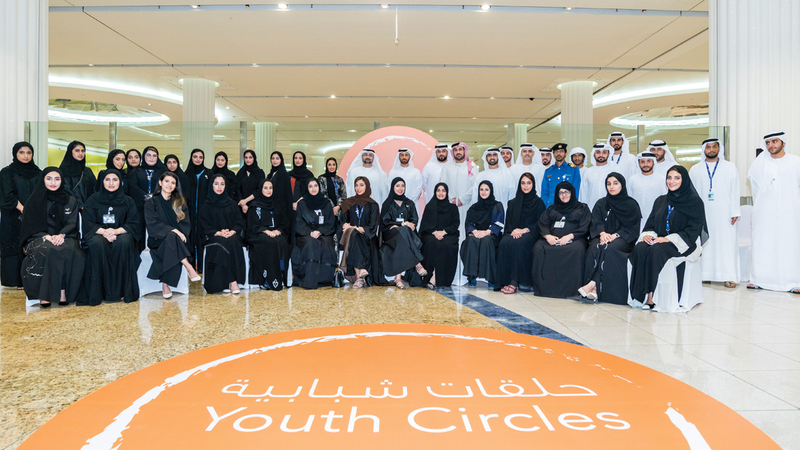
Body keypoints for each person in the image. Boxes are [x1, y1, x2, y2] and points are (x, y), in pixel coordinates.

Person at [629, 165, 708, 309]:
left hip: (683, 243)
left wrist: (668, 239)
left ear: (684, 180)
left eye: (677, 178)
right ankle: (639, 295)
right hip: (659, 240)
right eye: (669, 177)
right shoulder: (661, 200)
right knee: (640, 248)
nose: (672, 181)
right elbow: (650, 223)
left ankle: (651, 295)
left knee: (656, 250)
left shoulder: (695, 202)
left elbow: (693, 229)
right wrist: (648, 236)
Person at [19, 168, 85, 306]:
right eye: (49, 178)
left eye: (57, 179)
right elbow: (30, 225)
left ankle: (63, 292)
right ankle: (45, 295)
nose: (53, 182)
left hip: (66, 236)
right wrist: (46, 236)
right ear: (43, 180)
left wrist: (61, 234)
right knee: (47, 250)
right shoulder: (33, 200)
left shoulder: (70, 200)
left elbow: (72, 223)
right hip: (38, 236)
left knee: (72, 251)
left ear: (62, 181)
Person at [747, 132, 800, 293]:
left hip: (790, 212)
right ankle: (759, 279)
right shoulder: (759, 164)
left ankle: (793, 281)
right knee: (763, 243)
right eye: (768, 143)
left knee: (790, 244)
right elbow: (755, 190)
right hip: (765, 213)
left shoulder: (796, 162)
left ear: (783, 142)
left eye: (774, 141)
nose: (771, 145)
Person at [578, 172, 641, 303]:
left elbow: (631, 227)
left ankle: (593, 284)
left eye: (615, 183)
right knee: (595, 247)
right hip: (603, 236)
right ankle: (595, 289)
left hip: (623, 239)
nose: (611, 187)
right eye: (608, 184)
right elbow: (596, 221)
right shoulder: (601, 203)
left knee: (609, 248)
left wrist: (615, 235)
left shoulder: (631, 204)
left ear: (622, 185)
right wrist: (602, 233)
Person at [82, 169, 141, 305]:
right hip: (98, 233)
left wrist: (115, 231)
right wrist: (105, 232)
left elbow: (133, 223)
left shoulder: (128, 201)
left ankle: (123, 291)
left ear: (120, 182)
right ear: (102, 182)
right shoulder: (92, 200)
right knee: (97, 243)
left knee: (124, 242)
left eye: (115, 179)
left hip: (120, 233)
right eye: (107, 179)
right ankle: (99, 292)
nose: (111, 183)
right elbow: (88, 222)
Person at [689, 138, 741, 288]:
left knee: (727, 244)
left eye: (714, 147)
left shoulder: (730, 167)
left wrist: (735, 211)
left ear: (719, 149)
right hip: (702, 214)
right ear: (703, 150)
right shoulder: (695, 169)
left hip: (725, 214)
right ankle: (704, 275)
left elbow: (735, 189)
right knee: (705, 243)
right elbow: (691, 193)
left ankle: (729, 276)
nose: (711, 150)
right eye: (708, 147)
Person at [144, 172, 201, 299]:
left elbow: (185, 224)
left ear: (176, 186)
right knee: (172, 236)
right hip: (157, 240)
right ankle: (188, 266)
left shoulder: (180, 203)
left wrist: (176, 233)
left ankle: (165, 285)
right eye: (167, 181)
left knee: (172, 239)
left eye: (173, 183)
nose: (169, 185)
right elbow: (152, 224)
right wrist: (174, 230)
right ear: (160, 183)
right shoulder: (151, 203)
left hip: (177, 241)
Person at [531, 181, 591, 298]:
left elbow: (586, 226)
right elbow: (542, 223)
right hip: (552, 239)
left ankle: (572, 291)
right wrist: (548, 236)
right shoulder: (551, 209)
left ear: (572, 193)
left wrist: (570, 236)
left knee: (578, 249)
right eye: (561, 193)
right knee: (538, 248)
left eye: (567, 192)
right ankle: (544, 289)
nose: (564, 195)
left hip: (574, 240)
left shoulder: (582, 208)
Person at [495, 173, 546, 294]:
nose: (526, 186)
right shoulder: (513, 203)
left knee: (518, 243)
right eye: (523, 183)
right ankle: (503, 281)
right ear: (519, 185)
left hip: (531, 233)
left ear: (533, 185)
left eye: (529, 183)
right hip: (514, 232)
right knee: (503, 243)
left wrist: (524, 230)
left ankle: (514, 282)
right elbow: (509, 223)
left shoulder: (539, 203)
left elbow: (540, 223)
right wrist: (514, 231)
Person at [0, 142, 41, 288]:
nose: (26, 156)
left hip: (33, 216)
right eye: (21, 152)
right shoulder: (7, 172)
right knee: (14, 244)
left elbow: (41, 194)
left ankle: (30, 280)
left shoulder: (38, 173)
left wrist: (32, 212)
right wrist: (23, 209)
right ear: (15, 154)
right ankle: (14, 280)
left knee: (31, 245)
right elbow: (7, 195)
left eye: (29, 152)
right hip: (13, 216)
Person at [438, 141, 478, 284]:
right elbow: (442, 185)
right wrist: (451, 200)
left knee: (466, 239)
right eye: (455, 150)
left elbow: (476, 186)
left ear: (465, 151)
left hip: (467, 207)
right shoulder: (447, 167)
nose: (458, 152)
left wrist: (462, 199)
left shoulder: (472, 166)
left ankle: (468, 274)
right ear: (453, 152)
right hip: (450, 209)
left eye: (460, 149)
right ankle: (453, 275)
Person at [199, 174, 247, 294]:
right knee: (221, 243)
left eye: (222, 184)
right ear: (211, 186)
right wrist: (218, 232)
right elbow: (204, 225)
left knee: (232, 241)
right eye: (216, 184)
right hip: (214, 236)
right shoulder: (206, 205)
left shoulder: (232, 204)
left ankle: (231, 281)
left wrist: (231, 231)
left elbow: (239, 222)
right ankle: (232, 281)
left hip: (231, 235)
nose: (219, 187)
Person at [380, 177, 427, 289]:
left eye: (403, 185)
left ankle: (398, 278)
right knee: (404, 230)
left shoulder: (409, 203)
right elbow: (385, 221)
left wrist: (403, 225)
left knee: (402, 236)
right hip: (390, 233)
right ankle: (418, 264)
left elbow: (414, 220)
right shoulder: (387, 203)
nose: (400, 188)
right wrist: (402, 224)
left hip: (404, 234)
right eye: (397, 186)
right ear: (393, 187)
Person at [247, 179, 291, 291]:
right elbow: (253, 225)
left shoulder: (277, 206)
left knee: (283, 243)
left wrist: (279, 230)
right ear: (261, 190)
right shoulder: (254, 206)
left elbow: (284, 223)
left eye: (270, 188)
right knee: (270, 243)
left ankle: (281, 276)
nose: (268, 190)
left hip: (275, 233)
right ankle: (267, 279)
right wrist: (266, 231)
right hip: (258, 234)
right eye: (265, 188)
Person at [292, 179, 337, 289]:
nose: (313, 189)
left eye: (315, 185)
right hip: (305, 233)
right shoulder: (302, 204)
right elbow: (299, 222)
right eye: (310, 186)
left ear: (319, 187)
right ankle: (309, 280)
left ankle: (324, 280)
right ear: (307, 188)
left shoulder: (326, 203)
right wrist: (310, 232)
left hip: (323, 232)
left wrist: (320, 231)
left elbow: (330, 222)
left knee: (327, 243)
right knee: (311, 244)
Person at [338, 176, 380, 288]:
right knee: (353, 234)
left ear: (367, 186)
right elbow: (343, 223)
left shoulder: (373, 205)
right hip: (351, 236)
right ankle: (359, 275)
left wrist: (355, 227)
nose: (358, 188)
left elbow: (372, 227)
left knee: (354, 234)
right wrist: (346, 226)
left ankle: (359, 277)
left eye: (361, 185)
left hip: (368, 237)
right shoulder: (348, 203)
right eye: (356, 185)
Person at [461, 180, 504, 288]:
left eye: (486, 189)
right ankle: (472, 276)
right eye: (481, 189)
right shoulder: (474, 207)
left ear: (491, 191)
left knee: (486, 241)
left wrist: (487, 232)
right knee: (470, 241)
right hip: (476, 234)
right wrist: (475, 231)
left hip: (491, 235)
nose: (483, 192)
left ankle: (491, 278)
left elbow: (499, 222)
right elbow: (468, 222)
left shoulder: (497, 205)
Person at [419, 182, 460, 289]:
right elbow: (425, 225)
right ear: (435, 192)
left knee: (447, 244)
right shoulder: (430, 207)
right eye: (438, 190)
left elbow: (455, 224)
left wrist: (444, 232)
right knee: (431, 243)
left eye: (443, 191)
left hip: (448, 234)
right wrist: (435, 232)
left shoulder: (453, 208)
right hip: (431, 234)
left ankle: (437, 279)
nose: (441, 193)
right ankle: (428, 276)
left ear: (447, 192)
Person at [129, 146, 166, 249]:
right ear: (143, 157)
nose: (151, 158)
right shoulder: (136, 171)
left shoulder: (163, 172)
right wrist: (146, 196)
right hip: (139, 207)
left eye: (154, 155)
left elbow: (166, 187)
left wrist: (154, 197)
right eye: (148, 155)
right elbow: (133, 187)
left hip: (157, 207)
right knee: (139, 232)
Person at [185, 148, 211, 270]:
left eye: (200, 157)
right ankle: (190, 265)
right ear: (191, 158)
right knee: (190, 236)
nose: (198, 159)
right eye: (195, 157)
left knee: (202, 237)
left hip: (204, 211)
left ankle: (201, 266)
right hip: (189, 212)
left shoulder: (209, 173)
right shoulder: (186, 174)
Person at [628, 152, 667, 233]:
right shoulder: (632, 179)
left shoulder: (661, 179)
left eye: (649, 161)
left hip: (655, 217)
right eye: (642, 162)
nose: (645, 164)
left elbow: (664, 200)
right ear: (638, 164)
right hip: (636, 218)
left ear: (653, 162)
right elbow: (629, 199)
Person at [541, 143, 581, 207]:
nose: (558, 154)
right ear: (553, 154)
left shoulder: (573, 169)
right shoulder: (548, 171)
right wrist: (544, 207)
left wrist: (573, 207)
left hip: (567, 205)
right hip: (551, 205)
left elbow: (575, 190)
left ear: (566, 153)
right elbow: (544, 193)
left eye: (561, 151)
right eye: (556, 152)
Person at [59, 140, 96, 205]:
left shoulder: (87, 171)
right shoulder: (63, 170)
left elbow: (95, 188)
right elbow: (66, 190)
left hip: (89, 206)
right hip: (71, 206)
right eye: (77, 151)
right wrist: (80, 205)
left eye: (83, 151)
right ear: (70, 152)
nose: (80, 153)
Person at [579, 144, 614, 211]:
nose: (601, 155)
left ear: (609, 154)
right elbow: (583, 193)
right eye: (598, 152)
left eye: (604, 152)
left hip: (611, 210)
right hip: (591, 209)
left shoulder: (615, 170)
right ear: (593, 154)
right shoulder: (588, 172)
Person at [387, 148, 423, 214]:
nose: (404, 157)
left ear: (410, 156)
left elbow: (418, 189)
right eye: (402, 155)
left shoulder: (416, 172)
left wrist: (409, 202)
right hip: (397, 204)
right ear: (399, 157)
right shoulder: (393, 172)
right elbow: (390, 187)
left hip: (412, 204)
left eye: (406, 155)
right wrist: (399, 201)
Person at [234, 150, 266, 214]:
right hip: (241, 205)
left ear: (254, 158)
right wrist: (242, 203)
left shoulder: (260, 173)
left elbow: (259, 190)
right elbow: (237, 189)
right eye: (246, 157)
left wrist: (245, 201)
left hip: (255, 205)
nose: (248, 159)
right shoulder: (240, 173)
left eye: (250, 157)